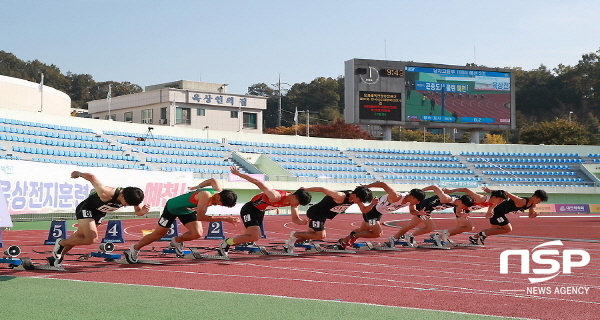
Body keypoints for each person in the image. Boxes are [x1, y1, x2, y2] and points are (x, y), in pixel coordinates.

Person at [124, 178, 239, 263]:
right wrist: (225, 218)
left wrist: (197, 187)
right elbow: (201, 217)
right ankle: (134, 248)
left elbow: (213, 180)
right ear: (218, 197)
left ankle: (177, 241)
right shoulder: (206, 196)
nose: (220, 206)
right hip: (172, 208)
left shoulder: (218, 190)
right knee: (158, 234)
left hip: (187, 210)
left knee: (197, 233)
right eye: (222, 204)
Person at [52, 171, 149, 266]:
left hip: (100, 213)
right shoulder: (106, 193)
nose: (127, 205)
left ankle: (56, 258)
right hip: (86, 208)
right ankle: (60, 242)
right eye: (127, 203)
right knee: (91, 239)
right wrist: (78, 174)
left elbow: (138, 212)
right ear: (122, 195)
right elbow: (92, 177)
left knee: (79, 237)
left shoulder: (134, 197)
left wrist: (142, 212)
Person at [218, 167, 312, 255]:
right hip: (250, 209)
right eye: (298, 202)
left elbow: (295, 219)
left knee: (252, 236)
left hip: (260, 211)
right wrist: (238, 174)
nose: (297, 205)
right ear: (294, 196)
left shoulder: (293, 203)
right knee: (255, 236)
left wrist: (302, 222)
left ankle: (246, 244)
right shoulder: (275, 196)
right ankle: (226, 243)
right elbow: (257, 182)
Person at [284, 186, 373, 253]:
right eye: (359, 200)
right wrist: (306, 189)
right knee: (320, 235)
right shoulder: (340, 196)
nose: (358, 202)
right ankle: (294, 234)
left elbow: (364, 210)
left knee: (310, 235)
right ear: (354, 195)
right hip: (316, 213)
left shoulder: (356, 198)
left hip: (323, 215)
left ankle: (288, 244)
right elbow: (323, 189)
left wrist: (372, 204)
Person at [338, 182, 425, 248]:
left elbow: (413, 211)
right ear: (412, 197)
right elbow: (383, 184)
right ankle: (355, 236)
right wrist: (367, 186)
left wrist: (419, 213)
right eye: (418, 200)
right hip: (371, 212)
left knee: (362, 229)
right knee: (377, 233)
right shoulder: (397, 196)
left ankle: (344, 241)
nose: (418, 203)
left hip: (378, 214)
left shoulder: (410, 202)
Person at [388, 185, 474, 247]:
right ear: (460, 202)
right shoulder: (446, 198)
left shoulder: (459, 204)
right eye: (464, 206)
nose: (463, 208)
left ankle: (395, 238)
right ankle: (409, 236)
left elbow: (458, 213)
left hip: (429, 209)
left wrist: (462, 214)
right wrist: (421, 191)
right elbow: (434, 187)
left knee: (411, 225)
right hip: (424, 208)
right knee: (431, 227)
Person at [469, 189, 548, 245]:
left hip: (500, 213)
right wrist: (490, 191)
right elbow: (506, 192)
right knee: (508, 229)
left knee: (494, 229)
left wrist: (534, 215)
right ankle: (482, 235)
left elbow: (530, 215)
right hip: (496, 212)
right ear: (535, 197)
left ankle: (474, 237)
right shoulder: (521, 201)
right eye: (539, 200)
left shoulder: (533, 204)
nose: (539, 202)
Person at [437, 187, 508, 244]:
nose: (500, 202)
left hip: (466, 210)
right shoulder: (481, 198)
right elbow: (465, 189)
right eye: (500, 200)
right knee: (469, 227)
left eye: (502, 201)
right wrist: (450, 191)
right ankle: (441, 235)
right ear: (494, 197)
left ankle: (439, 236)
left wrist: (490, 211)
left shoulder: (494, 202)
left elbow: (493, 205)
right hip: (461, 209)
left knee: (460, 228)